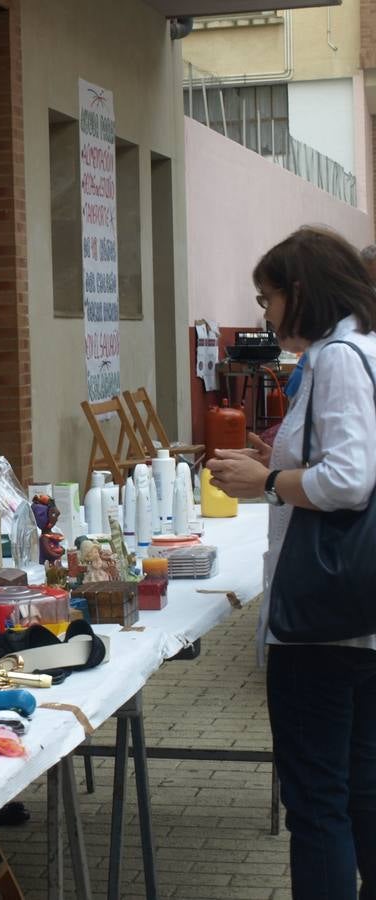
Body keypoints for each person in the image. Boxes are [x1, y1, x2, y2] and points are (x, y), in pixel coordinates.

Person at [207, 226, 376, 898]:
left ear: (299, 291)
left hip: (323, 621)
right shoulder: (365, 349)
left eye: (267, 297)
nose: (265, 314)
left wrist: (267, 483)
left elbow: (349, 480)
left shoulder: (338, 358)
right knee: (361, 788)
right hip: (359, 616)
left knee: (317, 803)